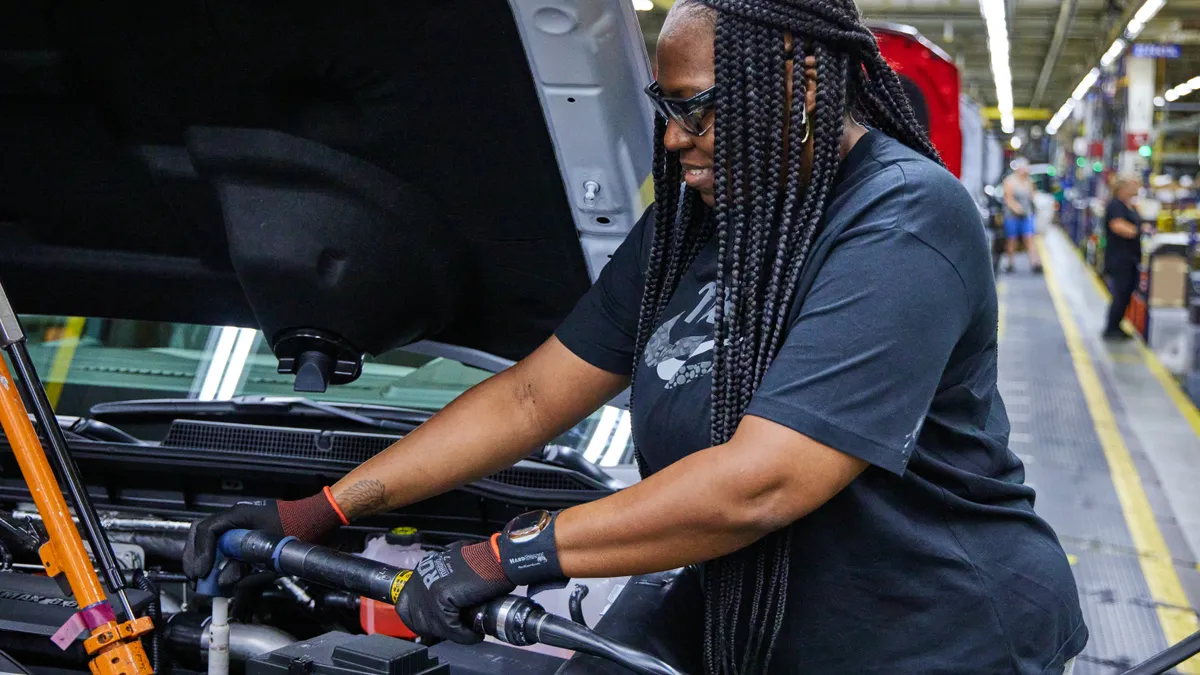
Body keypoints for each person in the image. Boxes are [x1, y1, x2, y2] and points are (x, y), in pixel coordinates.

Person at [183, 0, 1088, 672]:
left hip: (940, 632)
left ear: (802, 85)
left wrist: (509, 553)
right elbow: (533, 394)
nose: (673, 135)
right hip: (758, 625)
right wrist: (323, 509)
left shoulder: (904, 217)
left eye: (696, 107)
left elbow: (764, 480)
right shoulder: (696, 220)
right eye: (666, 103)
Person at [1103, 176, 1148, 340]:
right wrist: (1138, 231)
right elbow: (1117, 225)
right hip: (1120, 258)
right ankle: (1111, 328)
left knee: (1126, 292)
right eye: (1133, 184)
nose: (1136, 188)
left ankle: (1116, 325)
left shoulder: (1129, 205)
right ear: (1123, 188)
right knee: (1121, 293)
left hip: (1130, 257)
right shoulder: (1116, 205)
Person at [1002, 157, 1043, 273]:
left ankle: (1035, 263)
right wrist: (1017, 208)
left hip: (1026, 214)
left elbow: (1033, 195)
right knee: (1012, 239)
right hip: (1012, 215)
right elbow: (1008, 199)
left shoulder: (1029, 181)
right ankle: (1010, 263)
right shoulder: (1010, 181)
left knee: (1029, 238)